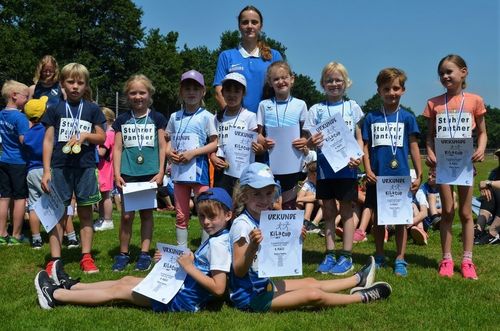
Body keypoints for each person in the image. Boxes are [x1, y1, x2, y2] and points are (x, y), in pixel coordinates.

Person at [34, 187, 233, 312]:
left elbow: (218, 288)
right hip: (179, 289)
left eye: (212, 217)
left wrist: (189, 267)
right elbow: (205, 266)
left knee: (119, 290)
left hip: (181, 299)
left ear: (228, 215)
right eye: (202, 216)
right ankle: (71, 286)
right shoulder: (219, 238)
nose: (206, 222)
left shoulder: (219, 245)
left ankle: (56, 295)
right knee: (126, 280)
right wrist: (175, 260)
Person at [228, 162, 392, 312]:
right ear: (244, 196)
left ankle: (357, 280)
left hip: (262, 286)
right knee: (313, 294)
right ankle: (362, 297)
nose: (264, 199)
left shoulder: (263, 219)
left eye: (269, 193)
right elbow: (239, 270)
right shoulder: (242, 225)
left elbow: (272, 253)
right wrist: (252, 248)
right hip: (250, 298)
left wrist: (294, 239)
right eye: (257, 194)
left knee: (311, 282)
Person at [423, 54, 487, 280]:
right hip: (443, 165)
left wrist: (480, 148)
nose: (445, 76)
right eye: (441, 73)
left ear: (464, 72)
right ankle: (447, 258)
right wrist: (430, 152)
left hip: (465, 165)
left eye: (449, 71)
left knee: (466, 212)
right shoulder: (434, 103)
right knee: (447, 212)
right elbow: (429, 137)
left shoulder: (475, 101)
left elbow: (482, 132)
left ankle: (467, 260)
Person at [41, 63, 106, 274]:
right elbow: (48, 141)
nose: (75, 86)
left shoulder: (93, 109)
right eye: (71, 82)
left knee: (86, 213)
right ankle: (55, 259)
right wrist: (46, 170)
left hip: (85, 167)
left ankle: (86, 257)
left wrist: (86, 136)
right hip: (60, 168)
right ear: (62, 84)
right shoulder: (54, 109)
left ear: (86, 85)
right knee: (57, 214)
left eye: (80, 82)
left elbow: (102, 137)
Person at [304, 62, 364, 275]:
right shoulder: (316, 110)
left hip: (347, 169)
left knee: (347, 212)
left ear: (346, 83)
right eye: (329, 80)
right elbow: (307, 142)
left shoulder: (352, 107)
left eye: (338, 80)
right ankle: (330, 254)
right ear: (322, 84)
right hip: (325, 170)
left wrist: (359, 156)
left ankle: (346, 256)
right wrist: (312, 141)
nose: (334, 84)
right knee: (329, 211)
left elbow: (359, 137)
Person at [361, 67, 422, 277]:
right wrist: (367, 169)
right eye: (386, 89)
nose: (391, 93)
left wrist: (420, 174)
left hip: (401, 176)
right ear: (379, 91)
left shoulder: (408, 117)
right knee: (378, 219)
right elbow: (365, 148)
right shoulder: (371, 117)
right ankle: (379, 255)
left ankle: (400, 258)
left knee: (402, 219)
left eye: (396, 88)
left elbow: (414, 146)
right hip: (377, 177)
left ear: (403, 90)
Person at [112, 75, 167, 271]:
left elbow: (162, 146)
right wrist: (116, 173)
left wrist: (161, 172)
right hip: (128, 174)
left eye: (142, 92)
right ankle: (123, 254)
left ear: (149, 94)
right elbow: (117, 148)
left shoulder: (157, 118)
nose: (138, 97)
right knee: (127, 216)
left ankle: (144, 253)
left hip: (150, 174)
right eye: (133, 93)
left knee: (146, 214)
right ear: (128, 95)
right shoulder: (122, 120)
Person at [166, 70, 218, 246]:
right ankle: (182, 250)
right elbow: (168, 141)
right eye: (187, 88)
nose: (191, 92)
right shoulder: (174, 117)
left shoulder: (207, 116)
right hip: (180, 173)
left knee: (205, 211)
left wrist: (193, 153)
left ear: (203, 92)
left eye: (196, 88)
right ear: (181, 91)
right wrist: (169, 152)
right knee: (181, 213)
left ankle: (204, 251)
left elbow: (214, 144)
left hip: (199, 172)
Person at [257, 61, 308, 210]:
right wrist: (264, 141)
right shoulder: (264, 105)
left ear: (292, 79)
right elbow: (258, 134)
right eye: (276, 79)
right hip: (271, 164)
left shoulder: (301, 105)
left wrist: (304, 141)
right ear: (270, 83)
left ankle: (289, 232)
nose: (281, 82)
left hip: (293, 163)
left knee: (289, 203)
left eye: (284, 77)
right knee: (271, 202)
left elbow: (305, 134)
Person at [213, 5, 283, 114]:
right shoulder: (226, 56)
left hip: (268, 122)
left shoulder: (274, 55)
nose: (250, 26)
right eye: (245, 22)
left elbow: (283, 89)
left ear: (261, 26)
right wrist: (235, 119)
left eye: (254, 22)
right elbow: (218, 92)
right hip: (237, 125)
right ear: (239, 26)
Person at [210, 72, 259, 195]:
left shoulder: (250, 116)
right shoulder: (216, 118)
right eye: (228, 91)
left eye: (237, 91)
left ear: (243, 94)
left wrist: (258, 148)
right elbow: (212, 144)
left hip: (242, 169)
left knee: (240, 203)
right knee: (221, 203)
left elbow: (255, 144)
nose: (232, 95)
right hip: (221, 168)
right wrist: (213, 157)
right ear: (222, 93)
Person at [0, 80, 30, 245]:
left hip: (3, 159)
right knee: (20, 198)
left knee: (4, 198)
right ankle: (16, 234)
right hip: (18, 162)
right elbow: (24, 141)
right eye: (25, 97)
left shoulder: (1, 114)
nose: (27, 100)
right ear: (14, 96)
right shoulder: (20, 117)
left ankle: (2, 233)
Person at [23, 96, 49, 249]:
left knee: (33, 205)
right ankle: (70, 236)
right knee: (57, 203)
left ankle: (36, 239)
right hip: (45, 170)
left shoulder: (27, 135)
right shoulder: (47, 131)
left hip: (31, 171)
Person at [94, 107, 116, 232]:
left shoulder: (108, 134)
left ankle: (108, 220)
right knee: (102, 196)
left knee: (106, 195)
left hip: (104, 169)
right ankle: (102, 218)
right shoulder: (111, 133)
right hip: (105, 168)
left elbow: (101, 152)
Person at [296, 161, 323, 234]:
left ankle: (314, 223)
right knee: (308, 194)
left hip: (322, 210)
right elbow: (300, 195)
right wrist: (299, 199)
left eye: (308, 173)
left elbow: (315, 197)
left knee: (323, 200)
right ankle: (303, 220)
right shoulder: (308, 183)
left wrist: (299, 199)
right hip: (311, 208)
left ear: (314, 174)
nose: (307, 175)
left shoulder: (323, 183)